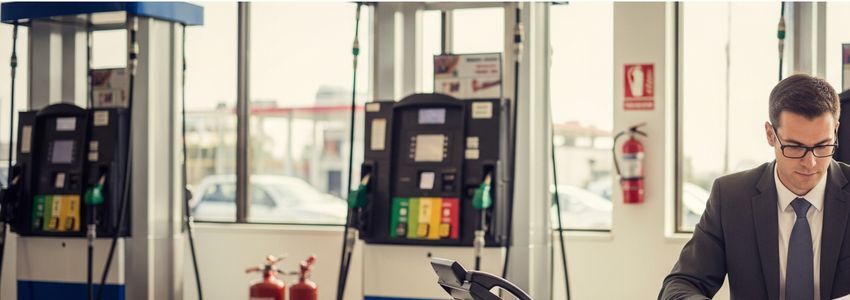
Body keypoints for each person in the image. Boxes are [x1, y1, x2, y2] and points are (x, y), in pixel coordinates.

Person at [660, 74, 850, 300]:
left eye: (822, 145)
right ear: (771, 134)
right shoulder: (731, 197)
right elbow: (680, 285)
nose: (810, 163)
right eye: (794, 147)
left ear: (836, 131)